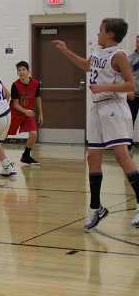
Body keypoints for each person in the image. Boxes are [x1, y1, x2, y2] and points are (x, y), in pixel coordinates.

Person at [54, 18, 139, 230]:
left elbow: (131, 85)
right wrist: (65, 51)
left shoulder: (119, 55)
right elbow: (86, 65)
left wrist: (103, 87)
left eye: (101, 30)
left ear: (110, 34)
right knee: (92, 157)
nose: (97, 33)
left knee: (122, 156)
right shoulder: (98, 52)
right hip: (97, 109)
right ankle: (96, 208)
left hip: (114, 107)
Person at [127, 35, 139, 125]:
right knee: (130, 121)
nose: (138, 44)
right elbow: (125, 77)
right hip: (133, 96)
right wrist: (128, 91)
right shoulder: (130, 58)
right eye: (137, 42)